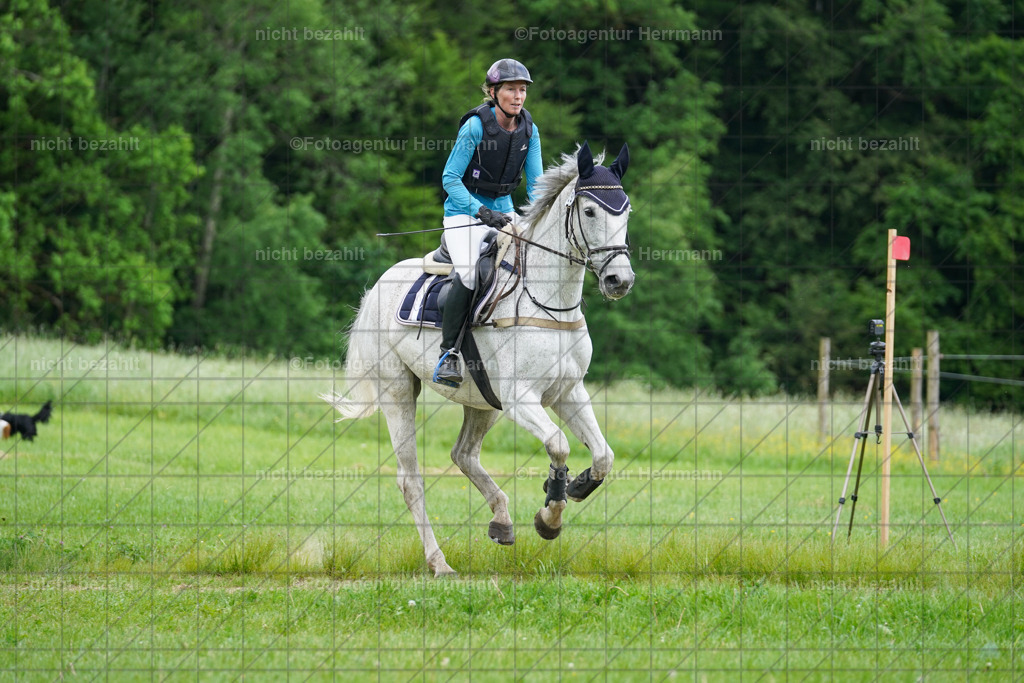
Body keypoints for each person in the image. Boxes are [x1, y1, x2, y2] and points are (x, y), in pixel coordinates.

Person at [433, 58, 543, 387]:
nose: (518, 96)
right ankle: (448, 353)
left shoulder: (530, 129)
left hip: (506, 212)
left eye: (522, 90)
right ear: (494, 92)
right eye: (511, 89)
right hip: (463, 215)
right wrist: (481, 211)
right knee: (469, 274)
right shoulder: (475, 126)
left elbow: (537, 187)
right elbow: (450, 179)